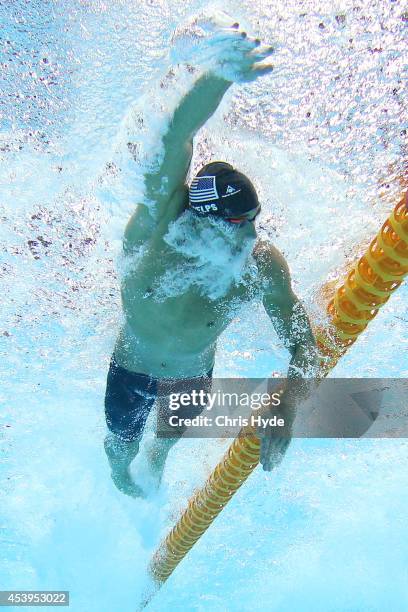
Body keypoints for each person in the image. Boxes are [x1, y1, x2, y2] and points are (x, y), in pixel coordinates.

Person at [103, 14, 319, 497]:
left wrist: (286, 405)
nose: (252, 235)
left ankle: (156, 465)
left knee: (165, 443)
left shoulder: (260, 266)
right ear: (204, 216)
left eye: (256, 221)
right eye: (240, 225)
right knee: (119, 451)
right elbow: (176, 136)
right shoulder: (159, 226)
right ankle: (125, 480)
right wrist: (221, 75)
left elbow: (304, 346)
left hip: (191, 379)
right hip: (130, 371)